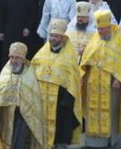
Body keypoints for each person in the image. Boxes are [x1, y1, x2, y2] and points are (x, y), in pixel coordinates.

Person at [80, 10, 121, 148]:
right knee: (92, 110)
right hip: (93, 81)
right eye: (98, 28)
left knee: (110, 110)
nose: (100, 31)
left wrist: (119, 79)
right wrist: (83, 74)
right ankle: (90, 140)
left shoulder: (118, 42)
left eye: (102, 28)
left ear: (109, 27)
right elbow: (86, 59)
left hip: (110, 82)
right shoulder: (94, 39)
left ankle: (110, 140)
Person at [31, 19, 82, 149]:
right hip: (42, 97)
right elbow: (32, 72)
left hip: (61, 99)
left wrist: (67, 99)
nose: (53, 39)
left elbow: (73, 79)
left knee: (61, 125)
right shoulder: (41, 54)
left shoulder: (69, 57)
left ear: (63, 38)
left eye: (57, 36)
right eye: (52, 36)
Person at [0, 42, 46, 149]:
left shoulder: (30, 74)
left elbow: (34, 97)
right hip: (5, 113)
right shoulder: (5, 72)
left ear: (23, 59)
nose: (14, 61)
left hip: (22, 115)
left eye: (17, 58)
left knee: (19, 141)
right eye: (12, 57)